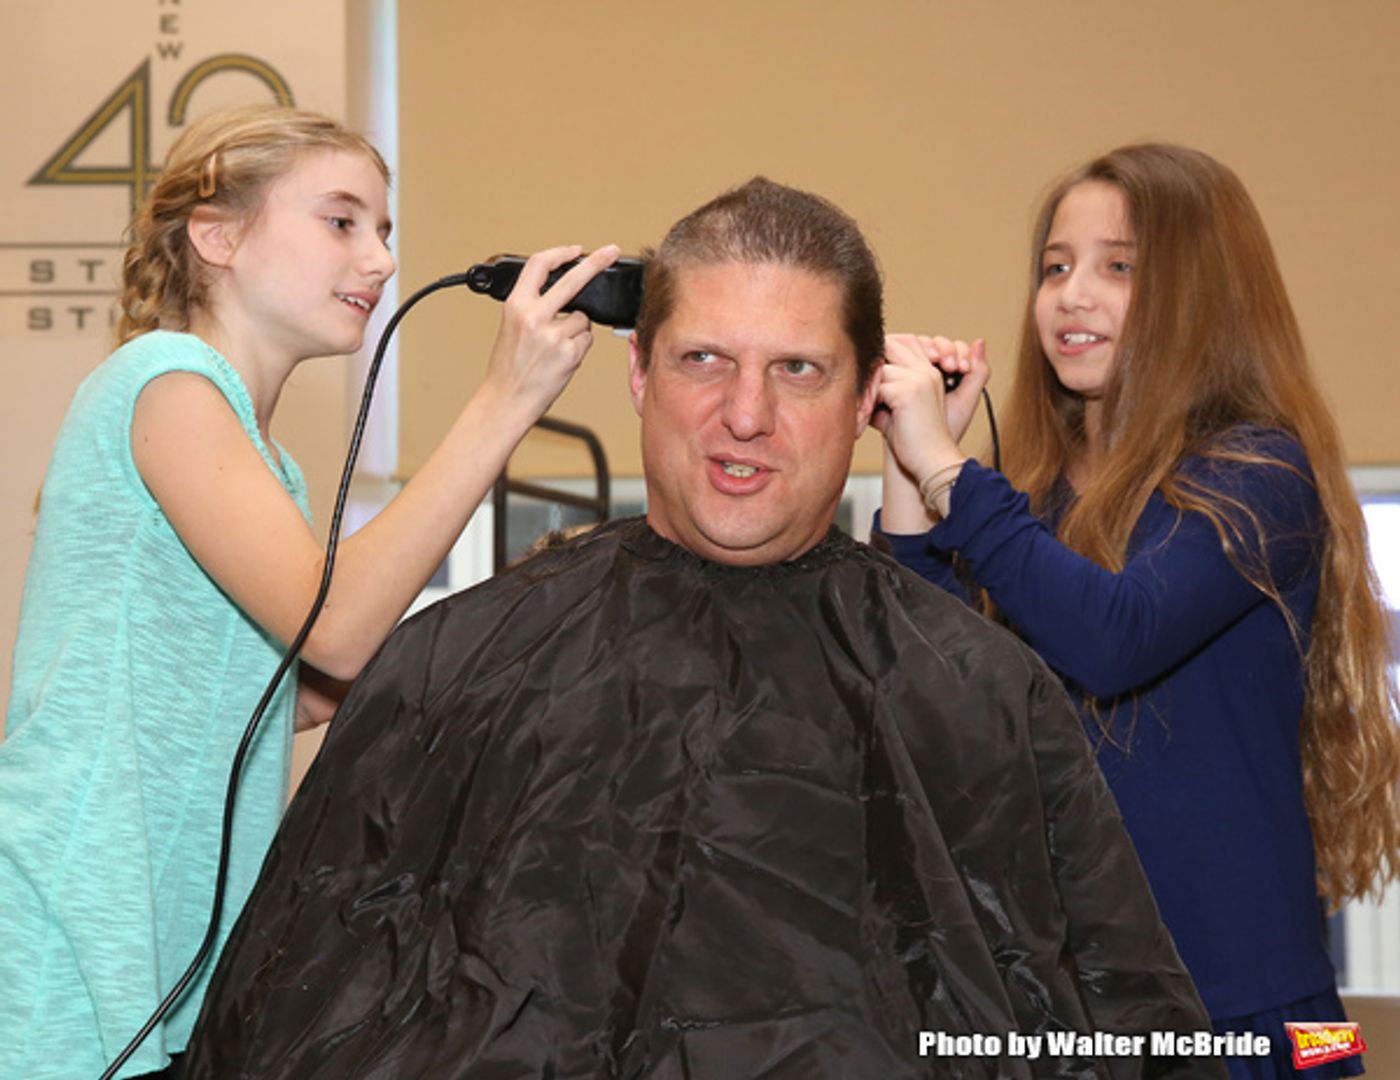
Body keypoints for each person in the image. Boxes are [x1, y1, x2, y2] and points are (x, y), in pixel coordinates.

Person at [180, 177, 1222, 1079]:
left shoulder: (979, 688)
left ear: (867, 396)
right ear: (638, 373)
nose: (744, 415)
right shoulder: (459, 662)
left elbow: (1118, 1009)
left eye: (797, 371)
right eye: (703, 361)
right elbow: (300, 1012)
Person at [0, 104, 618, 1080]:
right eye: (341, 222)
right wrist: (504, 402)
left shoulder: (269, 468)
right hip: (69, 928)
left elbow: (307, 691)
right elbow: (332, 633)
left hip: (158, 947)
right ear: (217, 235)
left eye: (384, 232)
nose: (378, 261)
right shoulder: (167, 384)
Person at [874, 143, 1400, 1079]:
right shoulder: (1028, 510)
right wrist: (910, 466)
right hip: (1079, 1013)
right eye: (1055, 267)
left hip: (1259, 1015)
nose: (1072, 294)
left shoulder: (1259, 474)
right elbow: (925, 684)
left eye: (1118, 267)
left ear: (1199, 294)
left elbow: (1114, 639)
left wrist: (955, 477)